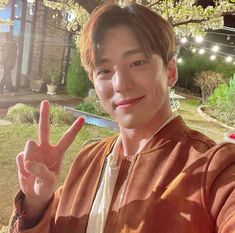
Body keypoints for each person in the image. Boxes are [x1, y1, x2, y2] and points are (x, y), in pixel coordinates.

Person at [9, 3, 235, 233]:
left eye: (138, 63)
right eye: (105, 70)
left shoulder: (213, 168)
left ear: (170, 71)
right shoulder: (88, 159)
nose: (121, 84)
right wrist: (36, 204)